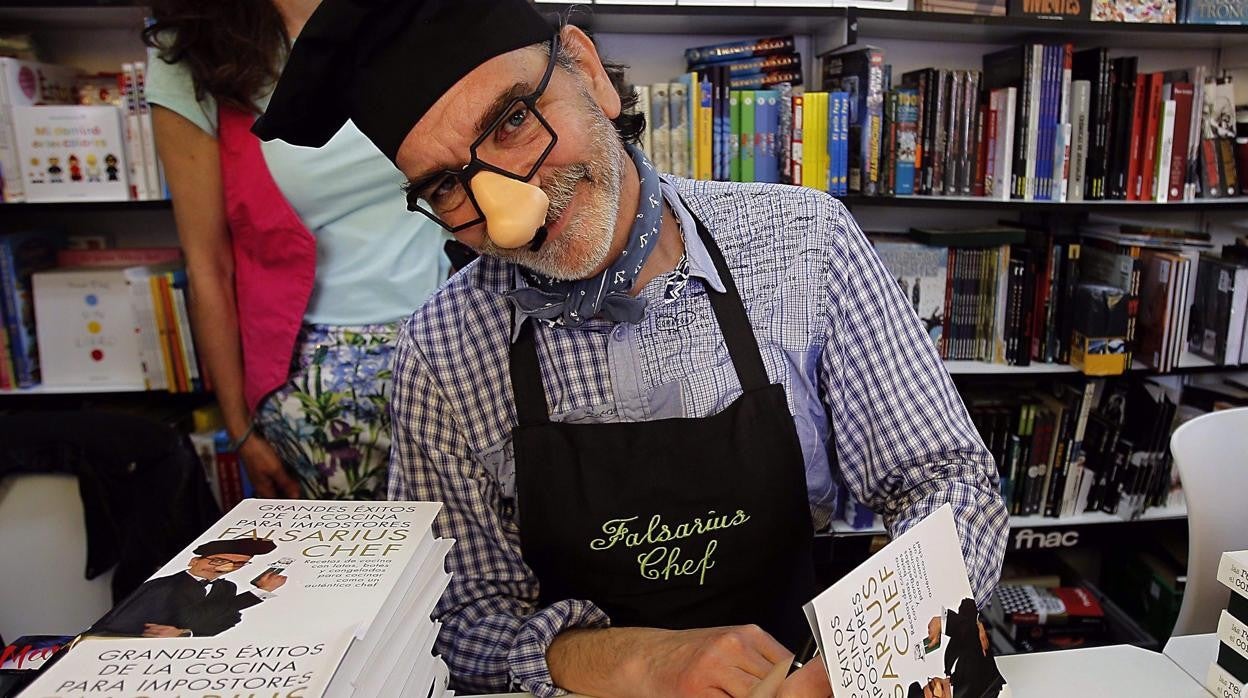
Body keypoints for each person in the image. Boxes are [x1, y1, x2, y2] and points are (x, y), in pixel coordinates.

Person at [252, 1, 1010, 696]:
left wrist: (856, 664)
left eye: (514, 120)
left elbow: (946, 483)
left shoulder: (807, 244)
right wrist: (631, 659)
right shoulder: (442, 349)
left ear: (586, 71)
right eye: (450, 185)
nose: (512, 209)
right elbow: (459, 615)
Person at [141, 0, 447, 500]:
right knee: (357, 572)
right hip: (323, 380)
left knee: (477, 564)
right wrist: (239, 431)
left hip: (458, 344)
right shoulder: (195, 48)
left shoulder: (408, 18)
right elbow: (208, 266)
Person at [87, 539, 285, 638]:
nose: (225, 568)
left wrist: (184, 632)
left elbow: (229, 620)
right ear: (194, 561)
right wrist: (259, 592)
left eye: (237, 565)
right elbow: (193, 617)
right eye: (218, 560)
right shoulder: (162, 587)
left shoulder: (226, 587)